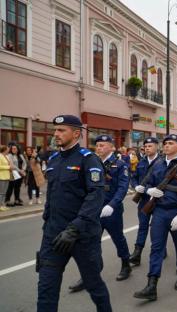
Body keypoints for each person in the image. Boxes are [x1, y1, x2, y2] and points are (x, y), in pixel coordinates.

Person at [37, 115, 111, 312]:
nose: (56, 134)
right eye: (55, 130)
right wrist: (47, 224)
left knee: (94, 285)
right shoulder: (53, 160)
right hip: (54, 236)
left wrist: (74, 228)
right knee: (46, 287)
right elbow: (51, 197)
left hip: (82, 236)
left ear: (76, 133)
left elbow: (95, 197)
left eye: (61, 130)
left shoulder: (88, 159)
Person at [134, 134, 177, 301]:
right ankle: (152, 285)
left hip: (176, 212)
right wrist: (148, 191)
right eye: (165, 143)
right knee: (156, 248)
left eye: (170, 143)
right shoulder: (158, 164)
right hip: (159, 211)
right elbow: (147, 183)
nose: (166, 145)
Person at [68, 135, 131, 292]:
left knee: (118, 238)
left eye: (102, 145)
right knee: (91, 242)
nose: (99, 148)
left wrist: (112, 205)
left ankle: (126, 264)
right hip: (93, 210)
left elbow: (123, 188)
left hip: (111, 210)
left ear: (111, 147)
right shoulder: (92, 163)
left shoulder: (120, 164)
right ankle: (89, 275)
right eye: (97, 145)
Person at [129, 137, 163, 266]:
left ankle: (161, 249)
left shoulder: (162, 162)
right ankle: (137, 254)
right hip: (144, 200)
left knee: (158, 228)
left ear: (156, 147)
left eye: (150, 146)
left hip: (158, 201)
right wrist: (136, 186)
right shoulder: (141, 162)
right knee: (142, 226)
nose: (147, 148)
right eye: (146, 146)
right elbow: (134, 177)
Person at [0, 145, 13, 211]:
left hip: (7, 176)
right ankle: (0, 205)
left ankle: (3, 205)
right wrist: (8, 167)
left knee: (4, 192)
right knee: (1, 192)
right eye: (8, 149)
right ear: (4, 150)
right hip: (1, 176)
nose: (8, 150)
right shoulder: (0, 156)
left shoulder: (7, 156)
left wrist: (11, 167)